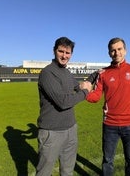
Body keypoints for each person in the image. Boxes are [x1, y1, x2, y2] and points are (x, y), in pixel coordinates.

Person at [85, 37, 130, 176]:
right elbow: (95, 97)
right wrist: (83, 92)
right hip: (110, 125)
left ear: (125, 51)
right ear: (109, 53)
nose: (117, 53)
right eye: (113, 50)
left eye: (119, 49)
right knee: (108, 160)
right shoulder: (103, 73)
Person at [36, 37, 92, 176]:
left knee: (67, 171)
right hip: (51, 132)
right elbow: (63, 102)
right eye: (61, 51)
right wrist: (85, 92)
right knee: (44, 173)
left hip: (71, 129)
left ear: (71, 54)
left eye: (68, 53)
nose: (64, 56)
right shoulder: (47, 73)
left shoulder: (66, 72)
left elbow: (77, 86)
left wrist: (89, 81)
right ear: (54, 51)